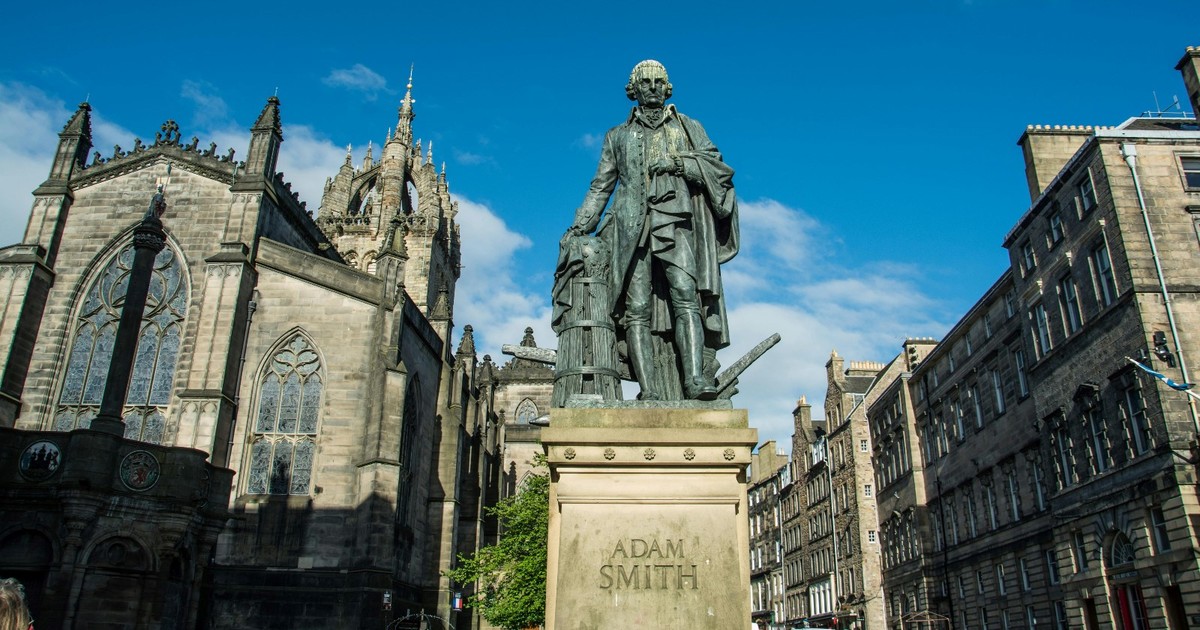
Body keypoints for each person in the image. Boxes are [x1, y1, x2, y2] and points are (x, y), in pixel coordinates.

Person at [559, 59, 739, 401]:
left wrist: (679, 163)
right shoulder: (617, 135)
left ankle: (695, 380)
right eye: (646, 82)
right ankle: (649, 390)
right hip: (630, 228)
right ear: (634, 89)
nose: (653, 87)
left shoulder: (688, 127)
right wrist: (579, 226)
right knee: (636, 308)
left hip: (676, 221)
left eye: (659, 82)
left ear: (667, 87)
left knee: (685, 295)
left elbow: (717, 168)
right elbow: (601, 186)